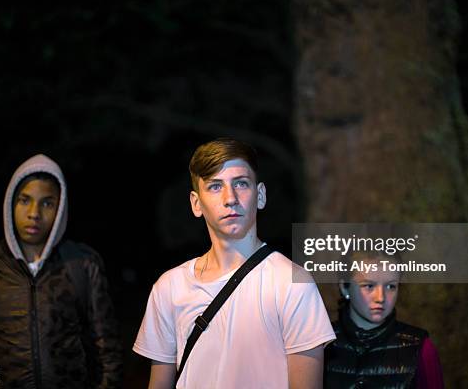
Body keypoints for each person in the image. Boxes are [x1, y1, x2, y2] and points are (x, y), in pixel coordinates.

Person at [133, 138, 336, 388]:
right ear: (196, 204)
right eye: (215, 186)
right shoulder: (170, 287)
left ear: (260, 195)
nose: (231, 198)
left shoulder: (292, 283)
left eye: (240, 183)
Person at [0, 154, 123, 388]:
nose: (34, 213)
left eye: (47, 203)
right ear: (10, 202)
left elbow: (109, 356)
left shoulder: (83, 264)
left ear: (61, 208)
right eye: (24, 200)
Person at [324, 251, 444, 388]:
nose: (380, 297)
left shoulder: (422, 348)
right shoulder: (320, 343)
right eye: (368, 286)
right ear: (345, 288)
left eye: (390, 286)